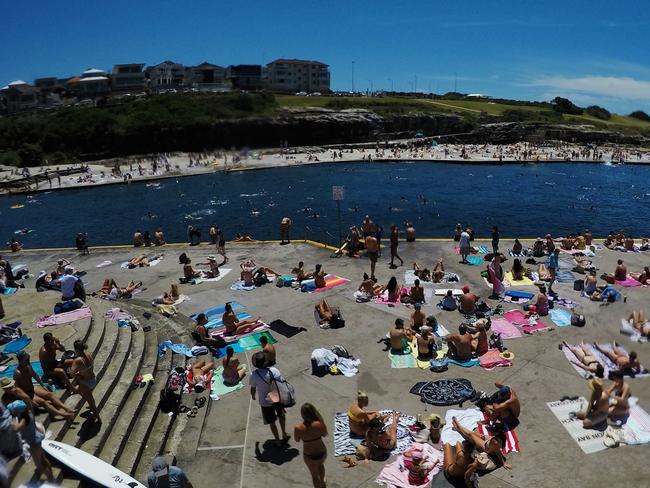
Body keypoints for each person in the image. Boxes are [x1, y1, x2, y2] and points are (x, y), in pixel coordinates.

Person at [443, 417, 510, 486]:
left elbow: (467, 477)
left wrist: (503, 463)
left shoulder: (474, 462)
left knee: (470, 435)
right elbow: (467, 476)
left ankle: (459, 428)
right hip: (454, 470)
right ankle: (459, 428)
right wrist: (503, 463)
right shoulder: (470, 460)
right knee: (471, 436)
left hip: (452, 471)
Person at [13, 351, 75, 420]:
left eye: (28, 358)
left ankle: (66, 408)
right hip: (26, 393)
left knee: (49, 394)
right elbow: (17, 389)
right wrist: (28, 400)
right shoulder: (17, 374)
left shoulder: (28, 366)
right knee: (43, 402)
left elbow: (35, 375)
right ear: (21, 361)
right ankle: (63, 414)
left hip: (32, 388)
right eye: (26, 359)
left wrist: (43, 385)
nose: (28, 360)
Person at [249, 351, 290, 445]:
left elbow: (253, 388)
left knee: (272, 422)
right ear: (266, 362)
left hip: (265, 402)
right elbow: (281, 384)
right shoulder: (274, 371)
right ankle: (284, 433)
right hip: (277, 399)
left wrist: (253, 396)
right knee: (281, 415)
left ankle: (277, 440)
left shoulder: (253, 375)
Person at [7, 400, 53, 481]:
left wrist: (11, 420)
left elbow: (16, 429)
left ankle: (50, 479)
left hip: (34, 443)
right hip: (37, 439)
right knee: (43, 459)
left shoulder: (24, 420)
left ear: (18, 411)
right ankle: (51, 477)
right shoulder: (29, 413)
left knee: (39, 464)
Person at [294, 403, 328, 488]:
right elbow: (324, 434)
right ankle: (323, 483)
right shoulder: (319, 423)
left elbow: (297, 440)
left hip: (309, 455)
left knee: (314, 476)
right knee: (320, 465)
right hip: (321, 451)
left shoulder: (298, 428)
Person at [71, 340, 100, 423]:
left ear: (76, 349)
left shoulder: (77, 361)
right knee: (85, 395)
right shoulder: (89, 354)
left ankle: (98, 419)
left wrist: (76, 373)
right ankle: (92, 409)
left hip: (85, 383)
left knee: (91, 402)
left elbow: (72, 374)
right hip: (93, 379)